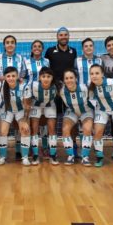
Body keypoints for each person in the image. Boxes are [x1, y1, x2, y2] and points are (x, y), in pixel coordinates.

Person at [44, 27, 79, 155]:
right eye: (61, 35)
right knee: (52, 119)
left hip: (70, 91)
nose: (63, 37)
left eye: (65, 35)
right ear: (57, 37)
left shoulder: (73, 51)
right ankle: (51, 147)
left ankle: (74, 146)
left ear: (68, 37)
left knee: (72, 119)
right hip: (54, 92)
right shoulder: (49, 51)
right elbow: (46, 71)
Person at [88, 64, 113, 169]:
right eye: (92, 74)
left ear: (102, 74)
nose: (94, 76)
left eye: (97, 73)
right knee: (97, 132)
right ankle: (99, 158)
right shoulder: (91, 88)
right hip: (102, 110)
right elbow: (92, 103)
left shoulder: (112, 82)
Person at [0, 35, 27, 159]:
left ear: (15, 44)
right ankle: (1, 153)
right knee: (3, 126)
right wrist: (2, 79)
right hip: (3, 95)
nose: (10, 44)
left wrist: (19, 79)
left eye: (12, 42)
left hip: (18, 95)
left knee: (18, 125)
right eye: (7, 42)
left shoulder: (20, 58)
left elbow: (23, 75)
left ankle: (19, 150)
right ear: (4, 45)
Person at [0, 67, 32, 166]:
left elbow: (27, 106)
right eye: (8, 76)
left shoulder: (24, 86)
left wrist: (25, 120)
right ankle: (2, 157)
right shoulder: (1, 85)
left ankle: (25, 157)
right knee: (2, 131)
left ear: (17, 76)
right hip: (7, 110)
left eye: (13, 76)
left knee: (25, 130)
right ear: (5, 77)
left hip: (21, 110)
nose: (11, 78)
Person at [59, 69, 94, 166]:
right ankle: (71, 156)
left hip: (86, 111)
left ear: (76, 79)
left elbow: (94, 100)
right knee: (65, 129)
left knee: (87, 129)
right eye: (66, 78)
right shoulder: (61, 91)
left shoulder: (85, 88)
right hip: (72, 111)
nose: (69, 80)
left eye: (71, 78)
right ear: (64, 80)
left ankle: (85, 157)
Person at [25, 40, 51, 158]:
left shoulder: (47, 61)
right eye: (34, 46)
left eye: (39, 46)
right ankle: (31, 146)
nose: (37, 48)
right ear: (31, 49)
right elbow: (23, 77)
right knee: (31, 121)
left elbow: (49, 76)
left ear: (42, 49)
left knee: (44, 121)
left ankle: (45, 147)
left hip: (44, 94)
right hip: (30, 95)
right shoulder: (26, 62)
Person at [29, 67, 57, 165]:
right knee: (34, 129)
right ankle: (35, 155)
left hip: (50, 105)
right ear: (39, 77)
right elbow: (26, 98)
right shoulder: (33, 85)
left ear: (52, 78)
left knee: (52, 129)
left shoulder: (57, 86)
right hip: (35, 105)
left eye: (48, 76)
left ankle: (53, 155)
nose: (46, 78)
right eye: (43, 76)